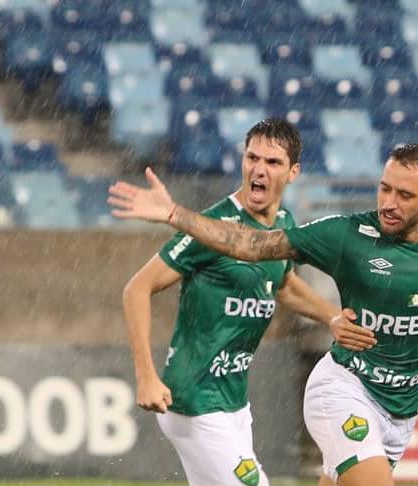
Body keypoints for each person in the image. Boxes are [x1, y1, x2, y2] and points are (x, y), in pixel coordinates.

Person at [108, 144, 418, 486]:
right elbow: (252, 246)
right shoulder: (346, 235)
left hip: (400, 409)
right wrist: (174, 214)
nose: (388, 202)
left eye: (404, 195)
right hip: (343, 391)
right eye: (384, 188)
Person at [121, 118, 353, 486]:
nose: (259, 169)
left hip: (233, 404)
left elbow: (283, 284)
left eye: (272, 163)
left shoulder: (283, 224)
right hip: (194, 400)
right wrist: (146, 376)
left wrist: (332, 318)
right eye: (252, 158)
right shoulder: (213, 227)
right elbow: (136, 288)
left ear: (293, 172)